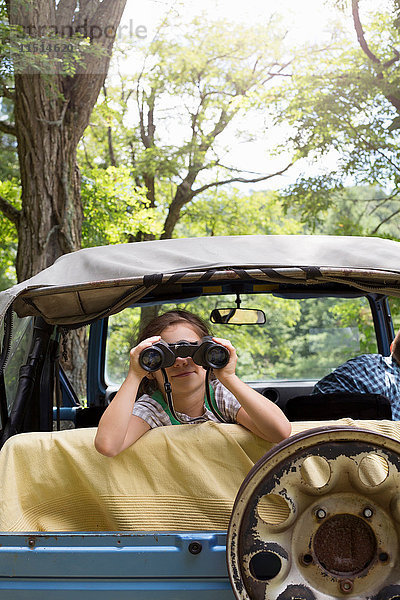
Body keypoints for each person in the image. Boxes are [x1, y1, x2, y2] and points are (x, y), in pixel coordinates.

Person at [95, 309, 291, 457]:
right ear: (151, 369)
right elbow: (108, 445)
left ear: (208, 357)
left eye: (193, 352)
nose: (181, 361)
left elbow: (279, 431)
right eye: (166, 356)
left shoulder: (219, 397)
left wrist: (229, 377)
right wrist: (135, 375)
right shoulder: (154, 407)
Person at [312, 328, 400, 419]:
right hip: (360, 432)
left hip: (308, 426)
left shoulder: (363, 361)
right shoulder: (396, 388)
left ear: (391, 347)